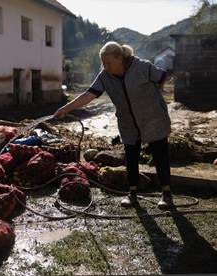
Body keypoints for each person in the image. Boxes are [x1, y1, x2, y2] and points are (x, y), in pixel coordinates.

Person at [54, 41, 173, 209]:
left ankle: (166, 194)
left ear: (120, 58)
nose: (105, 66)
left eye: (108, 62)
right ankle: (132, 194)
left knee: (159, 154)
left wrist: (154, 96)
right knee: (131, 157)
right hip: (127, 122)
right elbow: (89, 95)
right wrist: (66, 108)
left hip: (152, 117)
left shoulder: (142, 67)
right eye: (103, 63)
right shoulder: (105, 76)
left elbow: (162, 77)